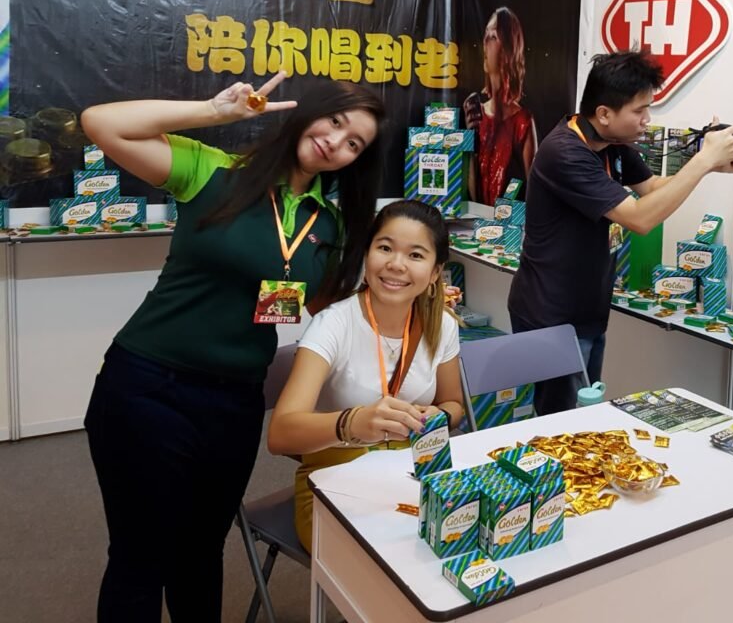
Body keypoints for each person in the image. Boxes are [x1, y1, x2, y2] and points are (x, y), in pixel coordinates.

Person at [80, 73, 385, 622]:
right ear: (308, 111)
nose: (336, 142)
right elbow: (101, 123)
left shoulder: (331, 224)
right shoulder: (214, 172)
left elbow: (329, 313)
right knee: (140, 556)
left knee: (201, 553)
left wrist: (415, 302)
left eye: (354, 143)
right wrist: (214, 113)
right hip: (149, 387)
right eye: (335, 121)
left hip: (235, 404)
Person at [508, 49, 733, 413]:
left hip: (587, 310)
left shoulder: (612, 145)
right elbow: (640, 219)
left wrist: (712, 164)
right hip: (550, 315)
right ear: (604, 114)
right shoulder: (565, 152)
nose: (646, 120)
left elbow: (652, 188)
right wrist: (702, 161)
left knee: (584, 410)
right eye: (639, 111)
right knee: (556, 421)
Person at [267, 200, 463, 550]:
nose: (396, 264)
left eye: (416, 255)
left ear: (435, 272)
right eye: (385, 248)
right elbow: (280, 434)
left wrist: (439, 416)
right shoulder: (334, 323)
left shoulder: (442, 325)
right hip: (335, 478)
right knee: (399, 555)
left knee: (458, 536)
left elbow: (454, 404)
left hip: (410, 471)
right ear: (367, 254)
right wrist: (352, 423)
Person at [462, 7, 537, 204]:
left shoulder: (522, 121)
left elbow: (536, 189)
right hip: (477, 217)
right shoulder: (476, 115)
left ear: (508, 50)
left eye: (494, 36)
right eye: (486, 35)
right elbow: (472, 194)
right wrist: (470, 140)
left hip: (510, 219)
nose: (486, 42)